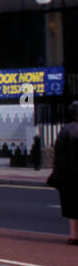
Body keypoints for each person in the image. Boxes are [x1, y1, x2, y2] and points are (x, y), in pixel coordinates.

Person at [52, 101, 78, 244]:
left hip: (69, 174)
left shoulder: (65, 129)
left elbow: (58, 152)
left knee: (72, 207)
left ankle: (73, 236)